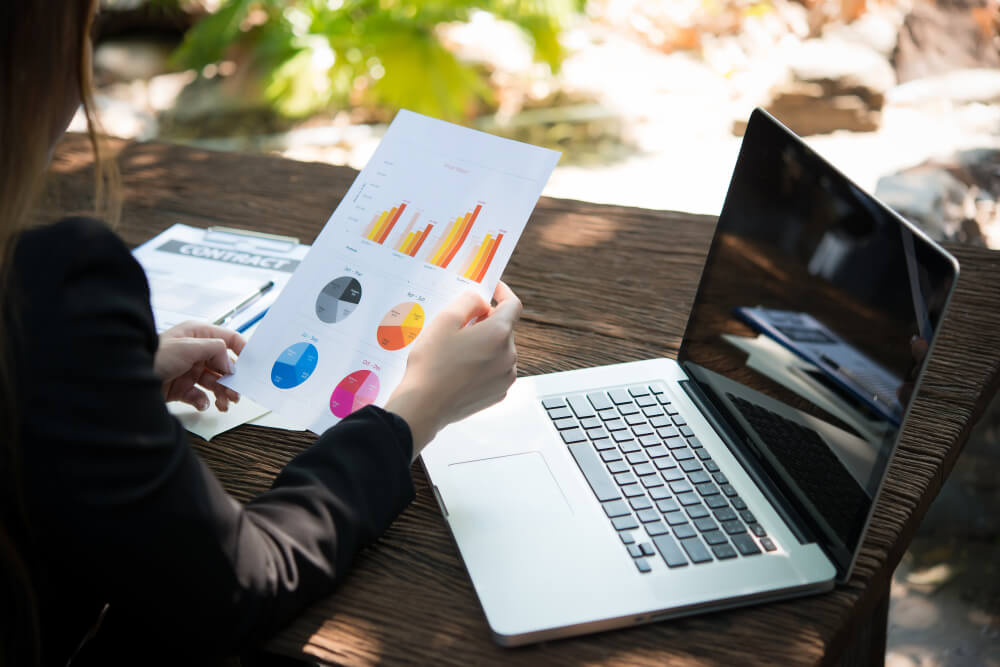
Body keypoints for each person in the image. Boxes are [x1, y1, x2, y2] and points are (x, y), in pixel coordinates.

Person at [0, 1, 521, 665]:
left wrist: (93, 381)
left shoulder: (42, 315)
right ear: (30, 64)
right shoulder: (50, 287)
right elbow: (237, 584)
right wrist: (414, 413)